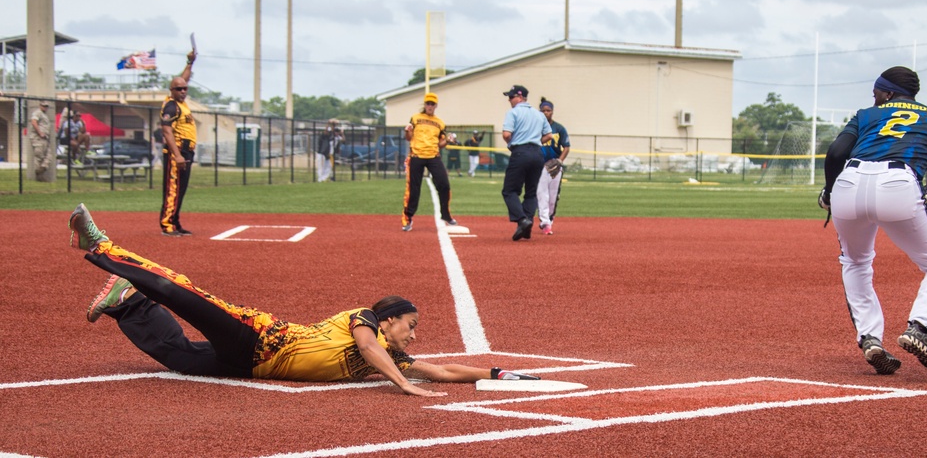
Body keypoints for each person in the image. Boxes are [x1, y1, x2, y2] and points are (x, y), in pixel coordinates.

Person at [68, 204, 538, 396]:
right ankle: (101, 242)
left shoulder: (391, 351)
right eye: (409, 325)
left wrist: (497, 373)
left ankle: (127, 302)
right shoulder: (365, 320)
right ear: (389, 317)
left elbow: (442, 370)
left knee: (176, 356)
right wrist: (401, 383)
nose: (412, 334)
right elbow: (373, 350)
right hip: (258, 334)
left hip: (249, 366)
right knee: (180, 293)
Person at [819, 66, 927, 375]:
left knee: (855, 261)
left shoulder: (867, 116)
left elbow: (835, 154)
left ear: (889, 94)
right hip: (899, 180)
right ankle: (921, 328)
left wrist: (830, 193)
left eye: (877, 95)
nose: (875, 101)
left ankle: (870, 338)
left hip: (849, 180)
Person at [500, 85, 552, 241]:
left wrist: (513, 141)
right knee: (531, 192)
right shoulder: (539, 114)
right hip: (537, 153)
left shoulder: (513, 112)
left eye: (511, 97)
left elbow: (506, 134)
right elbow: (549, 136)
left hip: (520, 152)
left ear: (519, 97)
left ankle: (522, 220)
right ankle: (527, 222)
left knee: (510, 191)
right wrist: (535, 141)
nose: (509, 100)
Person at [401, 92, 458, 231]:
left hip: (433, 156)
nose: (430, 106)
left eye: (432, 104)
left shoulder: (440, 122)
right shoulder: (415, 118)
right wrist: (407, 131)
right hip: (416, 155)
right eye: (428, 103)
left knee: (444, 185)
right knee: (414, 189)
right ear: (424, 104)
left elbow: (441, 144)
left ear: (436, 106)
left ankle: (446, 215)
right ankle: (407, 218)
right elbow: (408, 137)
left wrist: (448, 140)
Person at [160, 49, 197, 237]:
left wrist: (190, 63)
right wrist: (177, 154)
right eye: (179, 89)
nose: (183, 91)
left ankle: (175, 221)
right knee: (173, 189)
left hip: (187, 151)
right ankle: (167, 225)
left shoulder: (181, 102)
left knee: (180, 190)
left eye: (185, 89)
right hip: (178, 150)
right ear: (171, 90)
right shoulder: (171, 105)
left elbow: (183, 78)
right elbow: (166, 130)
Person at [536, 97, 571, 235]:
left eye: (548, 110)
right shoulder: (536, 127)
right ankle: (545, 222)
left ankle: (550, 218)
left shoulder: (559, 128)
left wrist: (560, 161)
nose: (546, 113)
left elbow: (566, 147)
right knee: (541, 194)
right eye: (543, 110)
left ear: (552, 112)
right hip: (540, 165)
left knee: (553, 196)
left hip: (555, 165)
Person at [29, 100, 52, 180]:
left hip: (45, 138)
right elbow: (34, 122)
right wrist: (40, 132)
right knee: (39, 156)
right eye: (43, 106)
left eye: (46, 106)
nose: (45, 108)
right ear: (40, 106)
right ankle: (39, 177)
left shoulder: (44, 115)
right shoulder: (37, 112)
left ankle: (40, 171)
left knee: (49, 156)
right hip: (38, 138)